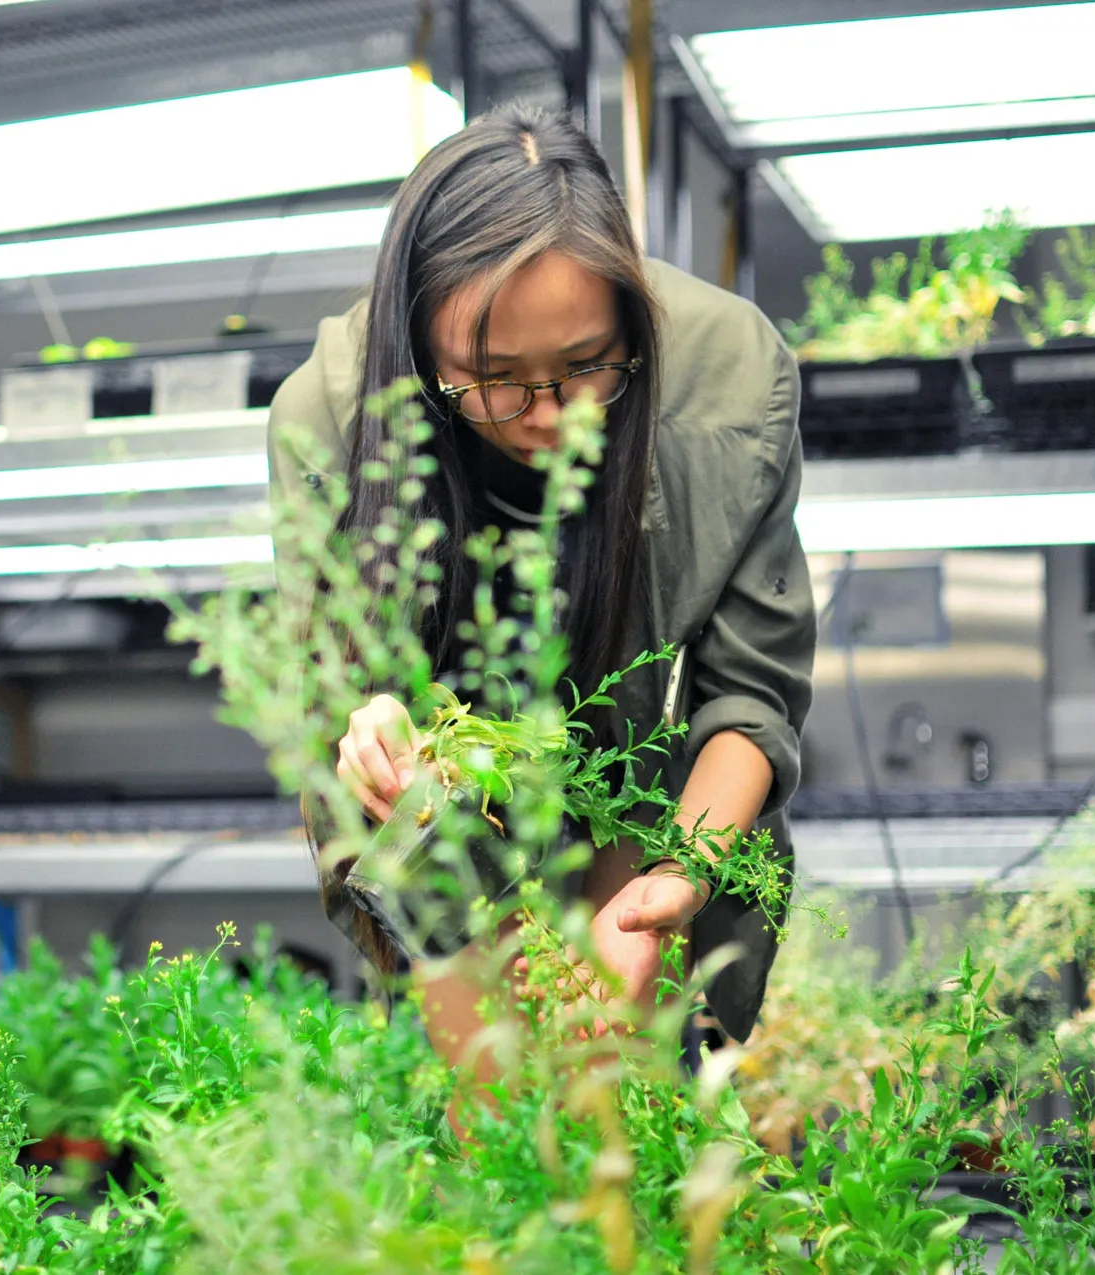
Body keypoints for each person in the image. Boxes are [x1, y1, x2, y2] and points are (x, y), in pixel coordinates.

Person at [267, 106, 816, 1090]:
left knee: (630, 1121)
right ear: (422, 347)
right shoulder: (332, 414)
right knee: (498, 1116)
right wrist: (369, 725)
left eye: (584, 368)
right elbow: (338, 704)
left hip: (646, 813)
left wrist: (671, 884)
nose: (548, 418)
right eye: (493, 380)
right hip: (445, 830)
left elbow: (753, 700)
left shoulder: (725, 387)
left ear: (628, 321)